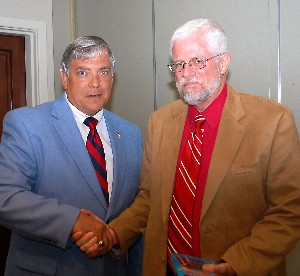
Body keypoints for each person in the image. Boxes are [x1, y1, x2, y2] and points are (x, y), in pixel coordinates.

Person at [74, 19, 300, 276]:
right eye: (179, 64)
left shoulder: (272, 121)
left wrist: (235, 266)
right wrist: (114, 233)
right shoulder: (159, 123)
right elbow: (149, 199)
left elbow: (289, 213)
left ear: (224, 62)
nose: (186, 72)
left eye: (197, 61)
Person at [0, 36, 143, 275]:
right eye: (83, 73)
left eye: (104, 72)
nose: (95, 83)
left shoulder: (131, 133)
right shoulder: (26, 124)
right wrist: (72, 220)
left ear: (112, 79)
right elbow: (6, 196)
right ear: (65, 78)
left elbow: (139, 203)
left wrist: (116, 236)